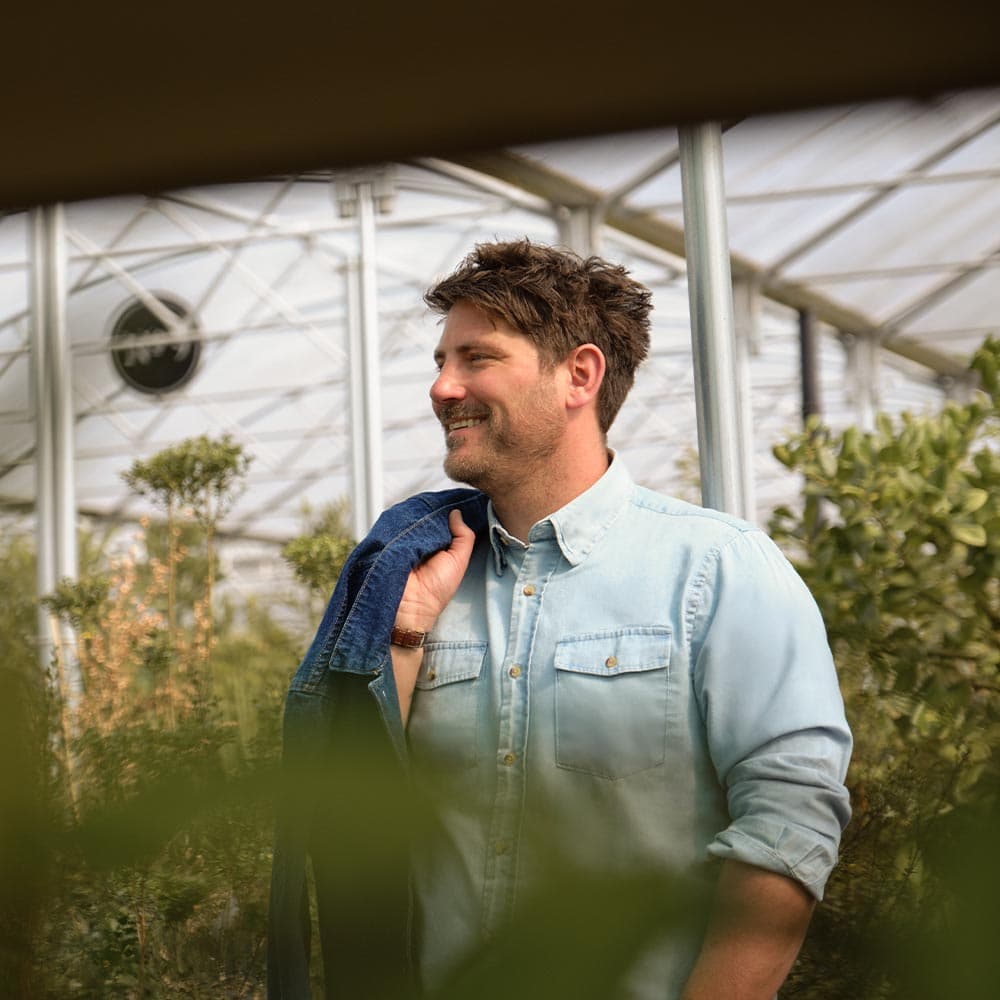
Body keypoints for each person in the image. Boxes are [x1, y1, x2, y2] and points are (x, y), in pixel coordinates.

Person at [387, 239, 852, 999]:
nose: (442, 387)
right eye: (441, 361)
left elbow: (789, 821)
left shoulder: (718, 569)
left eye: (476, 358)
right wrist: (406, 629)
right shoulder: (419, 572)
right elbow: (358, 803)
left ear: (580, 374)